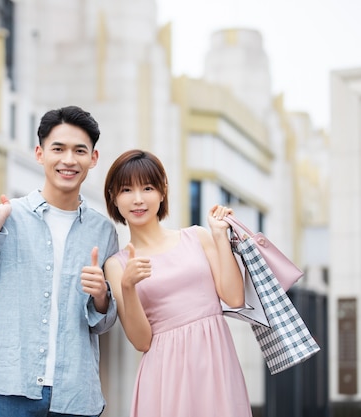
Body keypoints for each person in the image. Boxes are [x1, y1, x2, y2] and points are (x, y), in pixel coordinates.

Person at [0, 105, 119, 417]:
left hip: (76, 394)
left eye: (79, 150)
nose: (68, 160)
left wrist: (100, 297)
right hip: (11, 389)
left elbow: (104, 324)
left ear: (93, 159)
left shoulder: (104, 231)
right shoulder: (7, 216)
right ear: (40, 154)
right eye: (58, 149)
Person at [103, 149, 253, 417]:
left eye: (147, 188)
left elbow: (234, 298)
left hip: (215, 362)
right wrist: (128, 286)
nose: (138, 199)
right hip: (164, 373)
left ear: (162, 192)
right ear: (114, 198)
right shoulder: (117, 265)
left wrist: (220, 236)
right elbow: (141, 341)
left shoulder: (197, 236)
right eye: (126, 190)